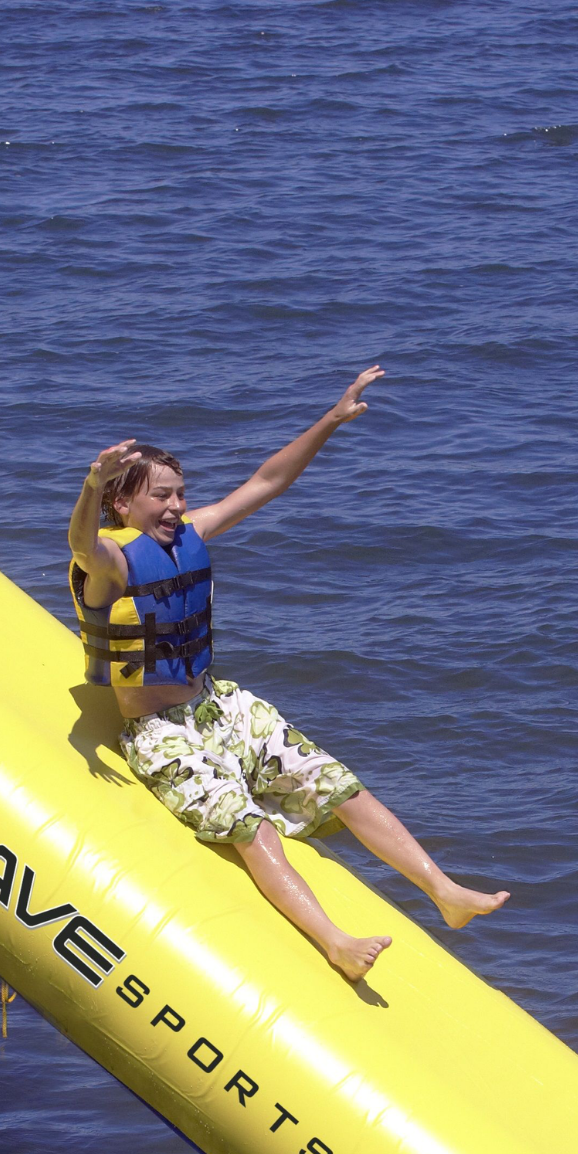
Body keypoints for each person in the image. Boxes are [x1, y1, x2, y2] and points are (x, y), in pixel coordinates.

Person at [67, 368, 508, 981]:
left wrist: (331, 418)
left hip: (216, 706)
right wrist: (90, 485)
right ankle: (334, 941)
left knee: (338, 785)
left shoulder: (191, 534)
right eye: (160, 495)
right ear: (123, 502)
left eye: (180, 492)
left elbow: (268, 481)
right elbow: (83, 545)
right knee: (250, 830)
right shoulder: (112, 563)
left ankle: (445, 892)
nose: (176, 506)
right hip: (161, 732)